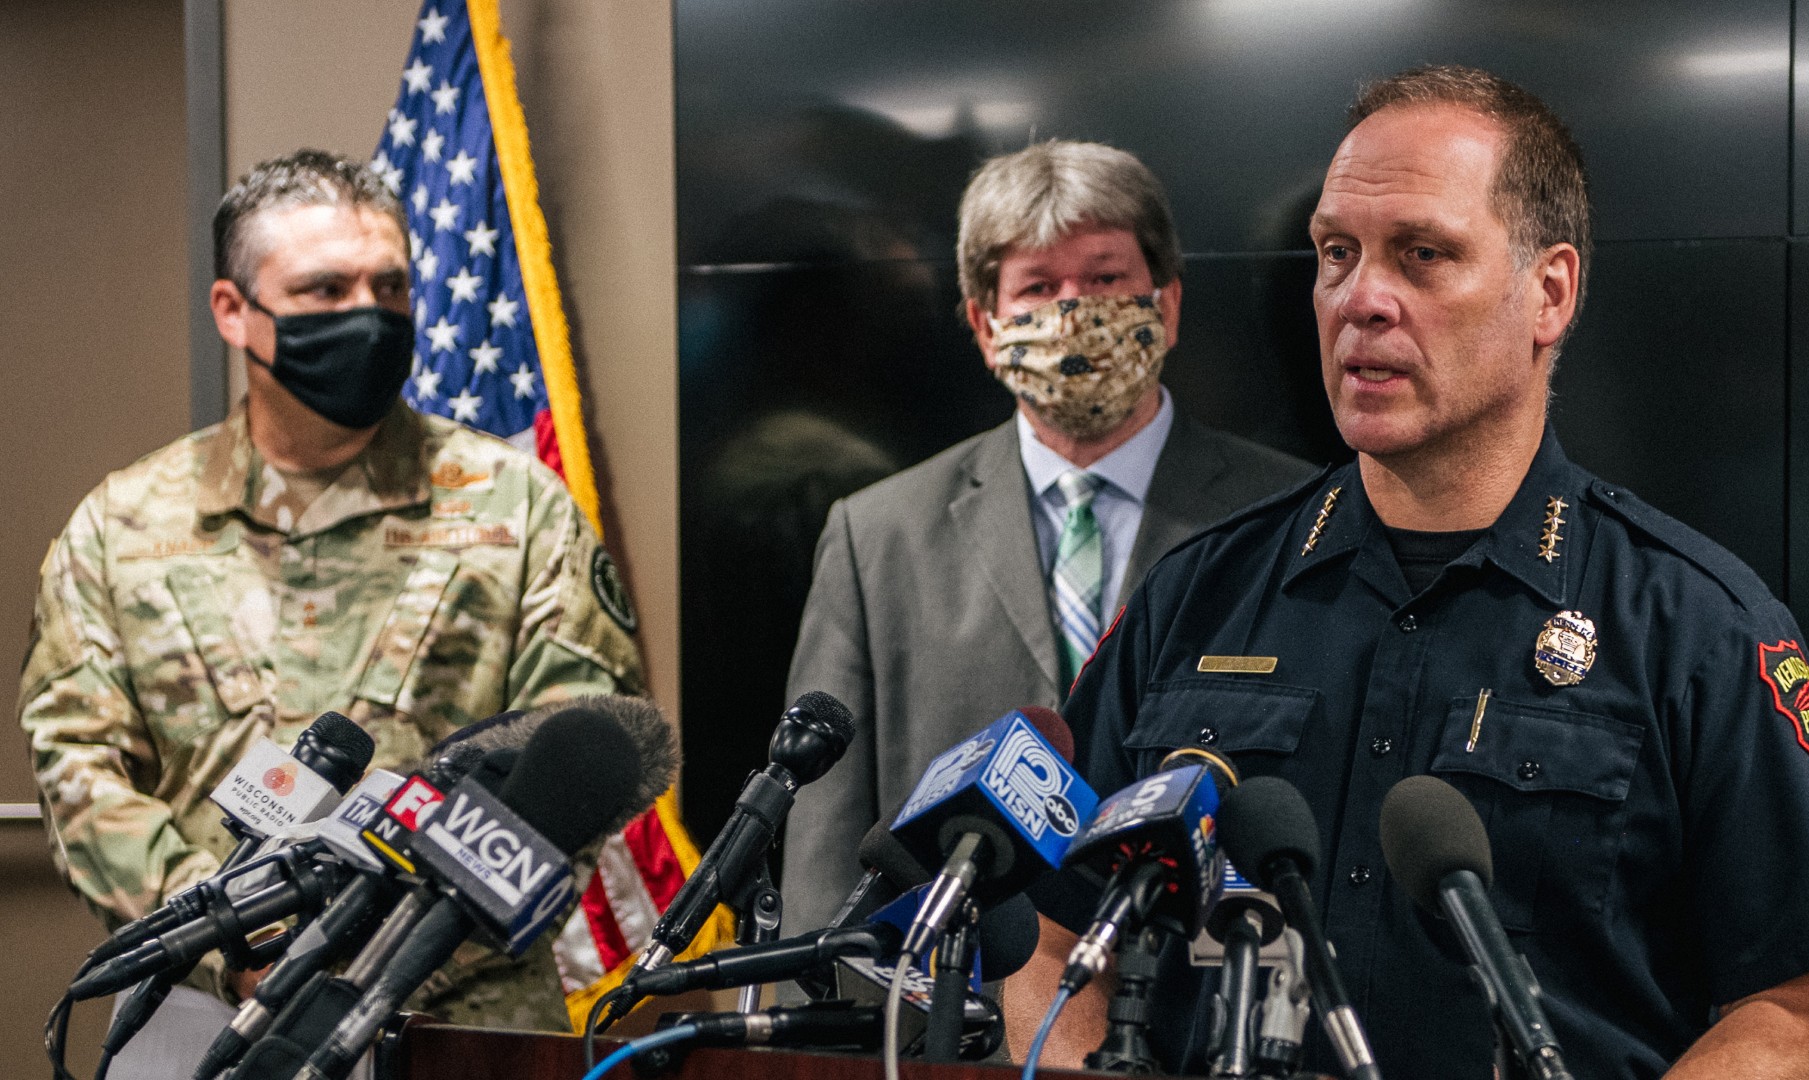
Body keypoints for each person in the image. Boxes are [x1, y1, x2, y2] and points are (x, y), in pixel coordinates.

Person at [1014, 67, 1809, 1078]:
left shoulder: (1698, 627)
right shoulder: (1197, 596)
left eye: (1422, 254)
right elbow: (1051, 936)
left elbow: (1803, 1012)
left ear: (1550, 292)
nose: (1361, 301)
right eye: (1336, 254)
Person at [18, 150, 644, 1041]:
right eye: (325, 290)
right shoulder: (121, 527)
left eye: (389, 288)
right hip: (202, 1017)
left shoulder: (519, 509)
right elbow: (81, 776)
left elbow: (568, 770)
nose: (369, 316)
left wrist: (376, 951)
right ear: (235, 312)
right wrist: (232, 937)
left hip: (457, 1028)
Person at [780, 140, 1316, 933]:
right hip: (952, 1010)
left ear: (1166, 306)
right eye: (1037, 286)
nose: (1074, 311)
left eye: (1104, 279)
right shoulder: (877, 535)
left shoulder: (1289, 513)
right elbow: (822, 835)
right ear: (984, 324)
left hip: (1189, 1003)